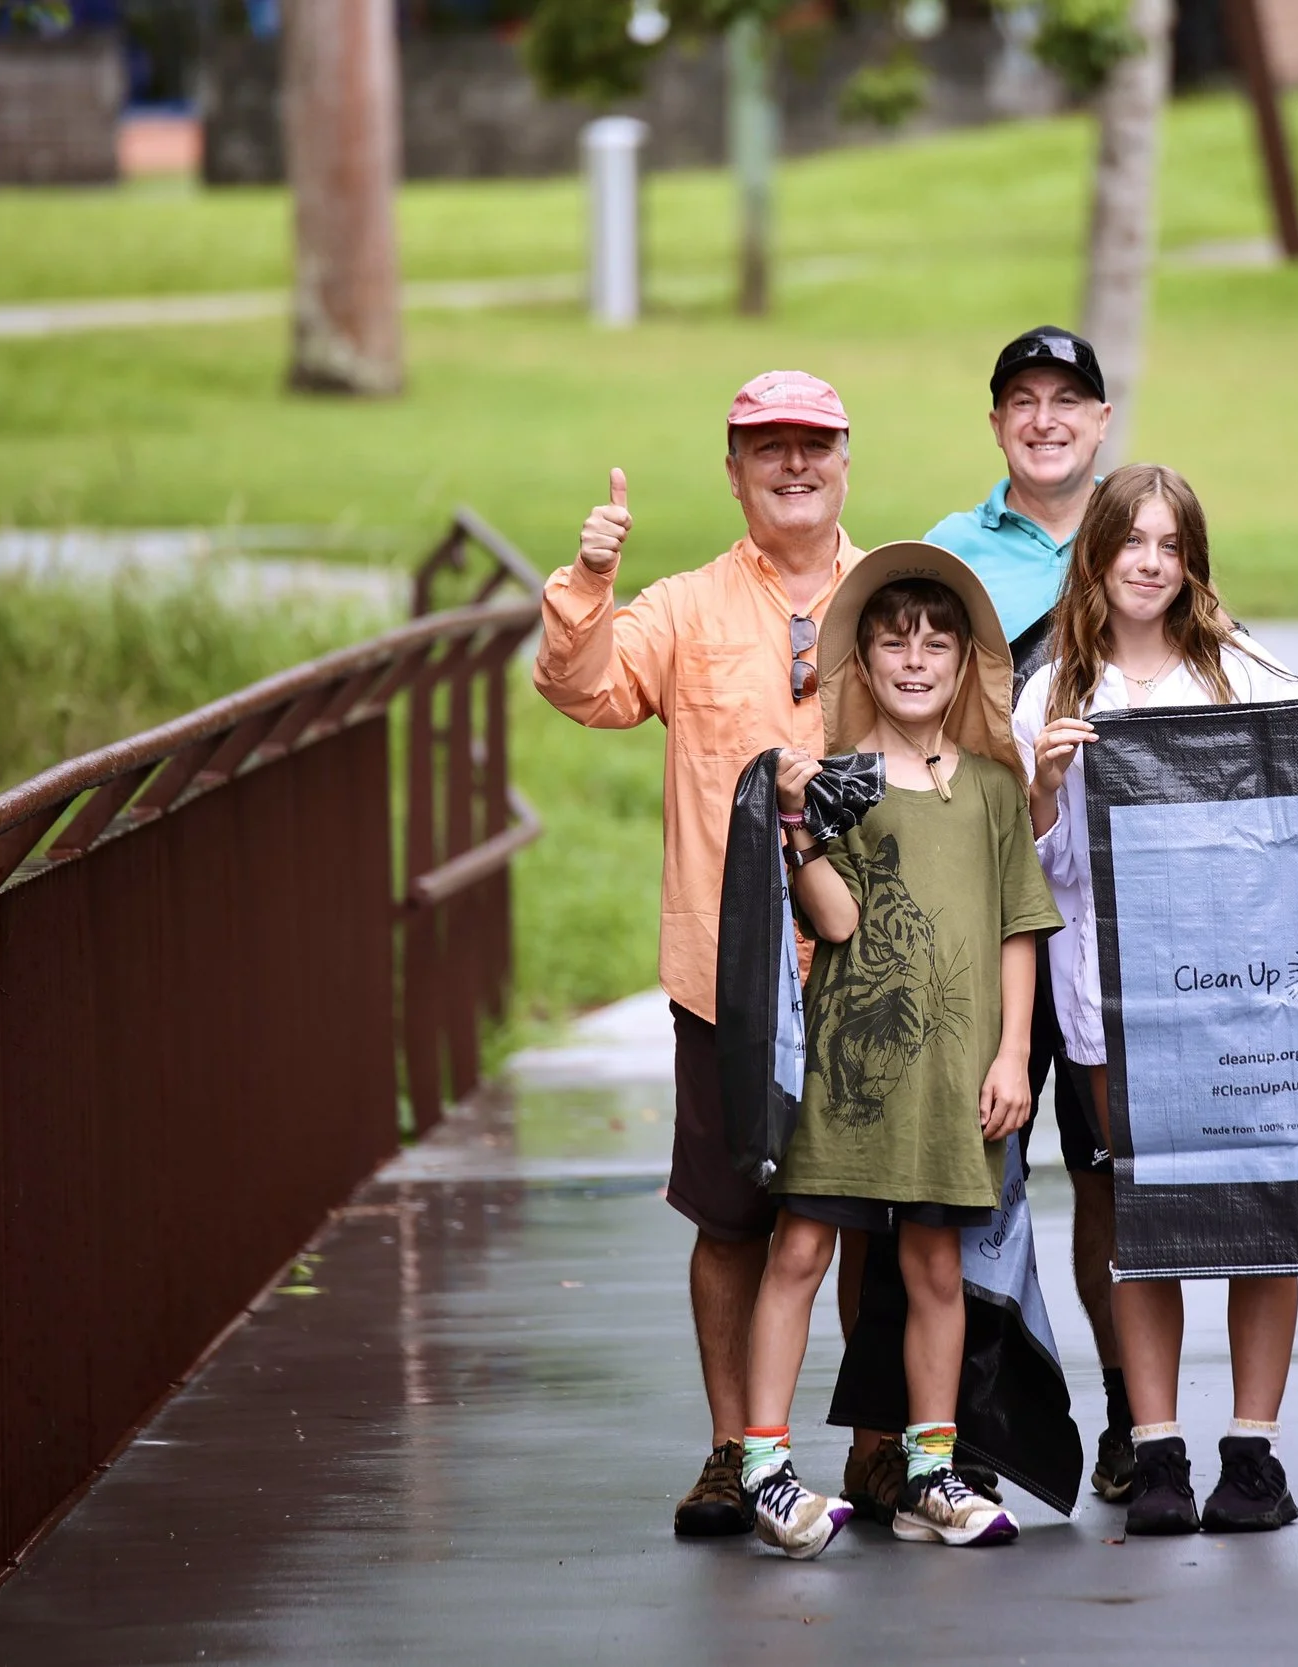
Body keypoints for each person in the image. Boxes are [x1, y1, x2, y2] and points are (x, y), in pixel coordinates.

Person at [1013, 464, 1298, 1536]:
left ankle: (1251, 1452)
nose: (1150, 563)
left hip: (1251, 1004)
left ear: (1192, 560)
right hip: (1116, 1009)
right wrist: (1043, 784)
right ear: (1096, 554)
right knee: (1144, 1217)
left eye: (1170, 545)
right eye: (1131, 541)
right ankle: (1158, 1450)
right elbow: (1035, 870)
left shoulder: (1243, 672)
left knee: (1265, 1208)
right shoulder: (1052, 694)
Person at [531, 370, 865, 1539]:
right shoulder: (683, 607)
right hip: (726, 972)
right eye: (768, 447)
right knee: (732, 1221)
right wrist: (590, 581)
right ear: (733, 471)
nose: (793, 465)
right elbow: (582, 687)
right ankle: (734, 1447)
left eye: (813, 444)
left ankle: (881, 1445)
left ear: (845, 461)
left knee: (874, 1224)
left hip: (872, 970)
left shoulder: (893, 597)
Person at [739, 548, 1064, 1557]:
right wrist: (797, 826)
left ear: (965, 662)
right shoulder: (837, 782)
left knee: (935, 1267)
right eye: (893, 642)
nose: (915, 660)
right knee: (800, 1250)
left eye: (935, 643)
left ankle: (929, 1471)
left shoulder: (996, 788)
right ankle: (763, 1464)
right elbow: (836, 921)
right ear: (865, 661)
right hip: (849, 1074)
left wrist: (1012, 1055)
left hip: (956, 1077)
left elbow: (1019, 927)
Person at [911, 324, 1139, 1503]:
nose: (1045, 420)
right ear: (997, 421)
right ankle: (978, 1429)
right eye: (1022, 401)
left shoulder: (1143, 536)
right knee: (973, 1164)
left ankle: (1129, 1415)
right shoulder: (947, 552)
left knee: (1105, 1175)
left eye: (1068, 401)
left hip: (1106, 916)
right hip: (976, 908)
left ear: (1101, 419)